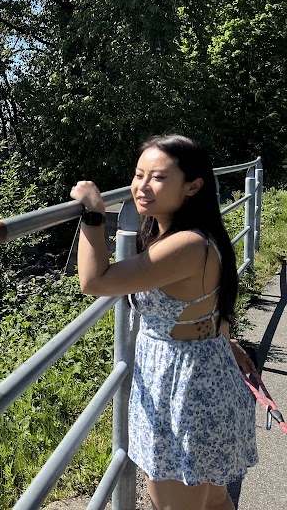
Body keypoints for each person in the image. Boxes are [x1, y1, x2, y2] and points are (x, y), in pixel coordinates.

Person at [70, 134, 257, 510]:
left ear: (193, 186)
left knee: (176, 504)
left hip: (183, 391)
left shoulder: (185, 244)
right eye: (139, 175)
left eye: (158, 177)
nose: (142, 186)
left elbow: (94, 282)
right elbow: (207, 306)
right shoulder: (189, 235)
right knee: (213, 500)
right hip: (200, 376)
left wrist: (93, 213)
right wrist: (227, 342)